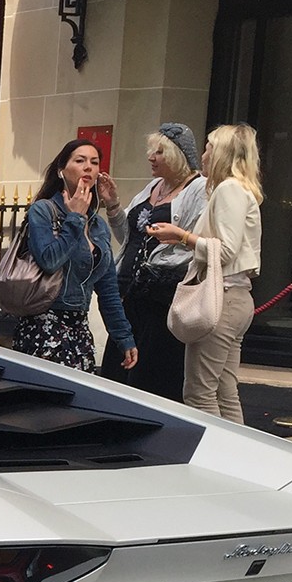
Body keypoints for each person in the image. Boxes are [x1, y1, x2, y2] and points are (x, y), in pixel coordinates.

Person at [148, 123, 264, 422]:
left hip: (221, 297)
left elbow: (224, 251)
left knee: (199, 393)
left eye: (209, 147)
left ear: (221, 152)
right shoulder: (239, 189)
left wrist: (182, 236)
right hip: (235, 297)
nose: (203, 155)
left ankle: (215, 448)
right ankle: (236, 449)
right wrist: (183, 238)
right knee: (225, 392)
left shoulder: (228, 189)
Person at [97, 124, 207, 400]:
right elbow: (128, 236)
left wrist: (180, 236)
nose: (151, 157)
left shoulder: (199, 189)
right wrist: (113, 206)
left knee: (151, 375)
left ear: (178, 155)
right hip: (131, 294)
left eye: (159, 152)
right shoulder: (153, 187)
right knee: (118, 371)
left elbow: (201, 241)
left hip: (162, 297)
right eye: (151, 151)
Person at [12, 139, 137, 373]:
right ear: (61, 170)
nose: (88, 167)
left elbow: (108, 289)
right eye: (80, 160)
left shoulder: (98, 225)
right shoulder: (43, 211)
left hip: (79, 330)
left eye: (94, 162)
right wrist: (75, 218)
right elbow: (49, 260)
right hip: (44, 325)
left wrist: (124, 337)